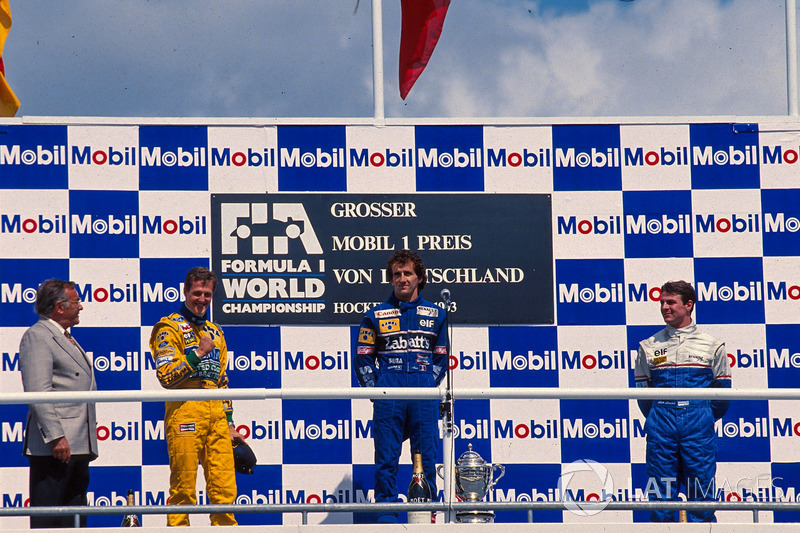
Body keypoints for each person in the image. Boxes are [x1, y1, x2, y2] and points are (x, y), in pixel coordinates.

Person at [354, 250, 448, 523]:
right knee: (385, 458)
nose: (402, 279)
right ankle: (386, 515)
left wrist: (428, 383)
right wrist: (378, 392)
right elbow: (362, 358)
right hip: (389, 392)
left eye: (407, 273)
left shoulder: (437, 314)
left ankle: (426, 512)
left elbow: (441, 357)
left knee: (427, 457)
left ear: (419, 278)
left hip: (423, 392)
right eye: (397, 274)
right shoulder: (375, 314)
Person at [149, 266, 244, 527]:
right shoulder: (168, 328)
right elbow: (166, 376)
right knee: (183, 488)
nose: (202, 300)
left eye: (207, 295)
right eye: (197, 293)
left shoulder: (216, 332)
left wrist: (230, 423)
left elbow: (222, 381)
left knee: (224, 490)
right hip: (185, 410)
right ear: (185, 292)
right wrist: (198, 354)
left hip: (216, 416)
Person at [634, 280, 731, 523]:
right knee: (661, 497)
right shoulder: (648, 345)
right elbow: (644, 393)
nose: (665, 307)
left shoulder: (712, 344)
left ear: (689, 305)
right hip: (661, 424)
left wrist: (702, 415)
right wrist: (661, 415)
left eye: (670, 302)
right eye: (662, 303)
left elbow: (722, 394)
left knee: (701, 496)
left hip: (697, 424)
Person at [19, 279, 97, 529]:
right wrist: (56, 437)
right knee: (50, 518)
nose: (81, 307)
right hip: (56, 448)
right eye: (76, 302)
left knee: (73, 518)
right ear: (59, 307)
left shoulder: (64, 337)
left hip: (77, 443)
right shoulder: (38, 336)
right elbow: (38, 391)